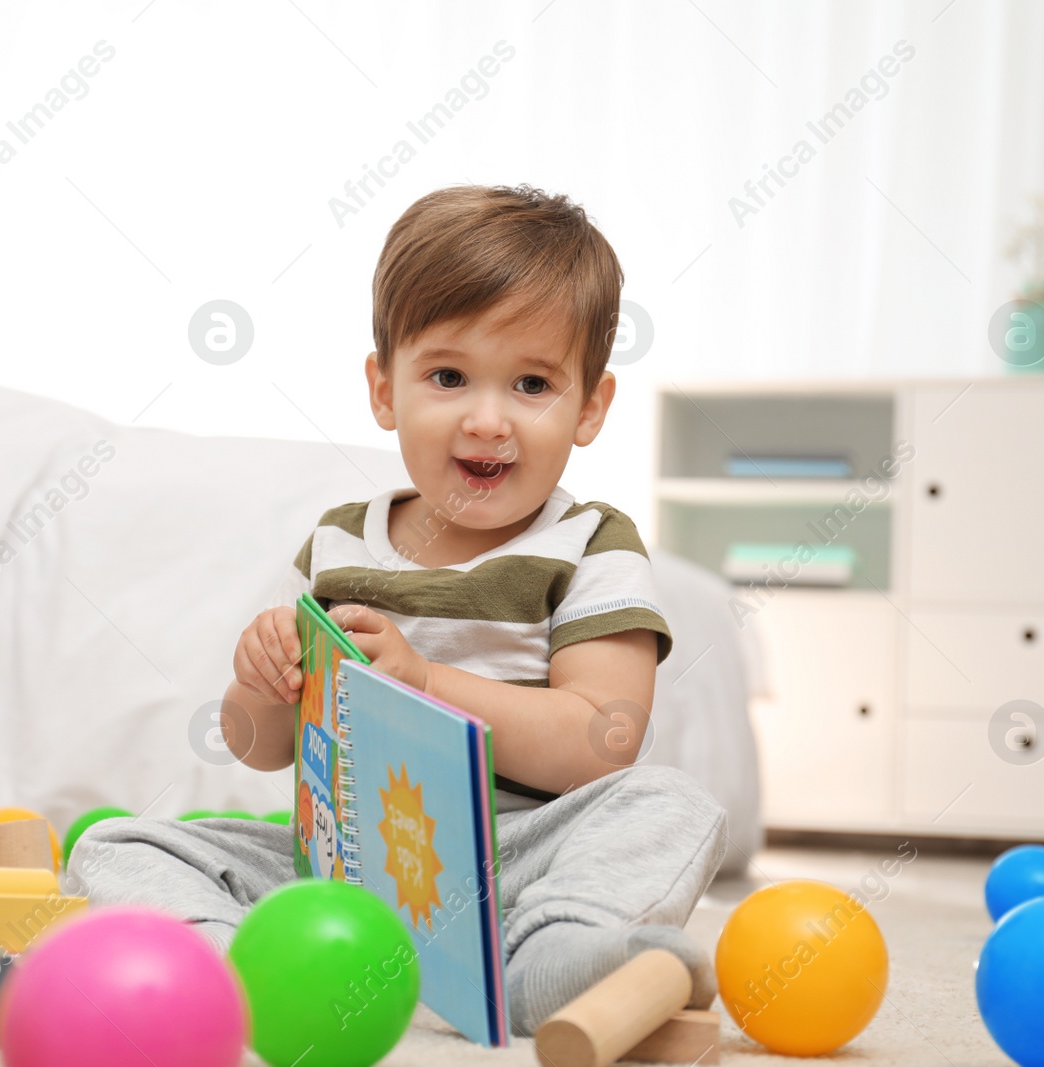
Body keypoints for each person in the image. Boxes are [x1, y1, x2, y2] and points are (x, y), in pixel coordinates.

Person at [69, 183, 728, 1037]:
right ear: (385, 389)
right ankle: (242, 963)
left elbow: (603, 739)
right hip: (348, 866)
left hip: (519, 856)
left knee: (671, 802)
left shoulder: (591, 544)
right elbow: (263, 748)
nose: (487, 419)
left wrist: (425, 679)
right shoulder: (341, 545)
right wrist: (262, 684)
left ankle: (549, 954)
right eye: (448, 376)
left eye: (531, 383)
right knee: (116, 844)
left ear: (590, 406)